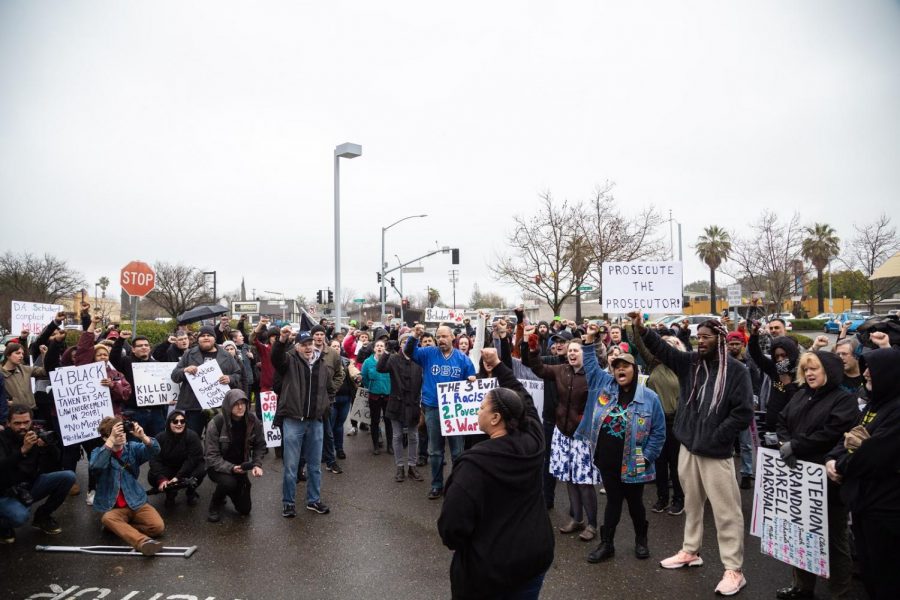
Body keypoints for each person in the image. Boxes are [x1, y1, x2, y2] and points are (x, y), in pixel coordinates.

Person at [631, 312, 753, 597]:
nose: (700, 342)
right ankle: (690, 551)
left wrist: (716, 436)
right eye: (698, 337)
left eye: (706, 337)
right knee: (693, 505)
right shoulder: (690, 364)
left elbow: (743, 412)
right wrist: (642, 329)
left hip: (715, 453)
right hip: (688, 446)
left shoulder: (737, 371)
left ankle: (734, 570)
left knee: (726, 513)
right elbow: (663, 349)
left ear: (720, 339)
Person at [438, 388, 554, 600]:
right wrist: (500, 365)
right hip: (534, 559)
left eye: (482, 407)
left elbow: (451, 528)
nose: (477, 412)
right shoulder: (535, 443)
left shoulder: (472, 467)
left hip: (489, 572)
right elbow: (526, 404)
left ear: (495, 418)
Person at [771, 351, 857, 600]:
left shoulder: (844, 400)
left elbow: (832, 433)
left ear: (828, 371)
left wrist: (796, 446)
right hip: (798, 477)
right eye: (806, 369)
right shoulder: (801, 394)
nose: (809, 373)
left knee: (834, 540)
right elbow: (782, 421)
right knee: (800, 533)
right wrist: (785, 442)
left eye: (814, 369)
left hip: (827, 481)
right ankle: (802, 586)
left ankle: (840, 592)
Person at [578, 323, 666, 563]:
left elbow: (658, 433)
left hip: (635, 461)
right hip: (607, 461)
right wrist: (589, 342)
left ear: (634, 370)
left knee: (635, 504)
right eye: (616, 367)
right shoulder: (605, 387)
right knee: (613, 503)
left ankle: (641, 540)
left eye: (625, 366)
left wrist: (646, 458)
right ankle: (607, 544)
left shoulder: (649, 398)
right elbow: (590, 367)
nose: (619, 370)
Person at [825, 346, 900, 600]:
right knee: (870, 572)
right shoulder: (872, 406)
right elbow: (847, 436)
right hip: (863, 503)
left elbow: (874, 454)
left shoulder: (896, 409)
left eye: (873, 369)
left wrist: (842, 465)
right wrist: (833, 459)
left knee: (887, 575)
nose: (866, 373)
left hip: (887, 509)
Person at [522, 333, 599, 542]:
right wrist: (533, 350)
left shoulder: (592, 374)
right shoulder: (561, 370)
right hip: (562, 433)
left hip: (583, 436)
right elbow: (537, 368)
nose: (573, 353)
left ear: (584, 354)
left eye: (577, 350)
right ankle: (577, 518)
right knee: (568, 478)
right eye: (571, 350)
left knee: (584, 481)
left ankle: (592, 524)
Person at [405, 324, 476, 500]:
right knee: (435, 451)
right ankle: (437, 485)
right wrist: (414, 335)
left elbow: (471, 381)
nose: (441, 339)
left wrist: (472, 380)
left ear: (453, 337)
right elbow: (408, 351)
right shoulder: (428, 353)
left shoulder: (463, 359)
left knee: (457, 451)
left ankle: (457, 485)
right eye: (439, 336)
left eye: (445, 336)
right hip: (433, 407)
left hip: (455, 410)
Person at [271, 329, 332, 517]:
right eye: (304, 344)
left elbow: (329, 389)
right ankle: (288, 503)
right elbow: (276, 357)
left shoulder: (322, 365)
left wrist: (325, 406)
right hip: (293, 421)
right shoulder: (289, 362)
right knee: (291, 466)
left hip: (315, 422)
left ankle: (313, 500)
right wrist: (281, 340)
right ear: (297, 347)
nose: (308, 347)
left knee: (314, 466)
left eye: (310, 343)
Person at [628, 323, 685, 516]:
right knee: (659, 462)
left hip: (676, 422)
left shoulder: (683, 368)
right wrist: (636, 326)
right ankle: (662, 498)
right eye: (663, 344)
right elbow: (639, 343)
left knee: (676, 464)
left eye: (669, 344)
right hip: (655, 422)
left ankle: (679, 499)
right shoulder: (653, 362)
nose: (665, 348)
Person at [89, 416, 165, 555]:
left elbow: (155, 450)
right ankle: (143, 543)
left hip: (136, 501)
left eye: (122, 432)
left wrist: (142, 436)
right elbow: (96, 466)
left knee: (158, 527)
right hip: (114, 507)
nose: (121, 435)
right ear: (105, 438)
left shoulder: (132, 448)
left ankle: (118, 529)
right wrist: (111, 440)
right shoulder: (98, 452)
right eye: (116, 433)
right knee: (108, 518)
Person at [0, 404, 76, 543]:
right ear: (8, 423)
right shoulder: (2, 439)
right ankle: (3, 525)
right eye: (17, 423)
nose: (22, 427)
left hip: (29, 485)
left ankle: (42, 516)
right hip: (5, 491)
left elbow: (57, 462)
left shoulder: (34, 434)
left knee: (68, 476)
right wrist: (23, 450)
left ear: (31, 421)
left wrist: (47, 447)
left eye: (26, 422)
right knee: (20, 517)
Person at [203, 389, 265, 522]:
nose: (240, 407)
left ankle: (228, 491)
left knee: (245, 509)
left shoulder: (252, 420)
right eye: (236, 403)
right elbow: (211, 456)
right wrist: (231, 468)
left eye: (243, 403)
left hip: (240, 468)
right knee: (228, 483)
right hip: (217, 467)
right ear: (228, 405)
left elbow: (260, 445)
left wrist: (257, 464)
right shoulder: (216, 423)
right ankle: (215, 504)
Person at [171, 325, 242, 435]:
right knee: (192, 438)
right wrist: (185, 370)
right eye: (203, 335)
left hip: (218, 406)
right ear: (198, 339)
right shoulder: (188, 354)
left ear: (214, 338)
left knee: (218, 438)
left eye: (209, 335)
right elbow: (175, 376)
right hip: (193, 406)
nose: (206, 337)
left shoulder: (227, 356)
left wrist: (230, 378)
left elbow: (238, 374)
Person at [377, 334, 424, 482]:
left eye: (409, 342)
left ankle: (412, 466)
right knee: (397, 436)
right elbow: (380, 368)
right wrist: (386, 351)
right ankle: (399, 467)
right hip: (396, 403)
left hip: (414, 404)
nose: (406, 344)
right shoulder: (394, 359)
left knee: (413, 436)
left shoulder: (419, 361)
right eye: (403, 342)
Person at [725, 331, 762, 489]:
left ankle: (746, 473)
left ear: (742, 345)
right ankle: (727, 477)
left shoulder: (750, 363)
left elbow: (755, 383)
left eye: (736, 344)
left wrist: (754, 399)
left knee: (746, 444)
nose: (734, 347)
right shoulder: (723, 362)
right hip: (725, 409)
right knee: (726, 444)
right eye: (731, 344)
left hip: (744, 408)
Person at [148, 410, 205, 508]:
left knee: (201, 470)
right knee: (152, 476)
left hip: (187, 468)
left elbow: (192, 460)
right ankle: (170, 492)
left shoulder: (192, 436)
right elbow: (154, 459)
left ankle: (191, 492)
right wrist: (161, 478)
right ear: (168, 423)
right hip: (169, 467)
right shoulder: (160, 437)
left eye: (182, 421)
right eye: (175, 421)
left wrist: (177, 477)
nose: (179, 424)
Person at [362, 339, 393, 456]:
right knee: (374, 421)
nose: (379, 348)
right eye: (377, 346)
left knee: (388, 421)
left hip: (388, 395)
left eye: (382, 346)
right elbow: (364, 377)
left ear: (385, 348)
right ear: (374, 348)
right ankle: (375, 446)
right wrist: (371, 386)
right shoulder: (368, 362)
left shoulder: (390, 360)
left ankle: (390, 446)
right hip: (374, 395)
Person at [329, 338, 358, 461]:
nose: (336, 348)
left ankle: (339, 449)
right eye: (334, 346)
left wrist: (357, 377)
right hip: (332, 399)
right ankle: (329, 451)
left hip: (345, 398)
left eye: (338, 346)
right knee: (331, 425)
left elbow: (353, 376)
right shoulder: (326, 361)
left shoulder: (346, 362)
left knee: (339, 425)